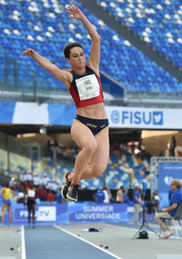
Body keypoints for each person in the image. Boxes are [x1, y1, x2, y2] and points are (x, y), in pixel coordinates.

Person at [23, 4, 109, 202]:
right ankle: (75, 186)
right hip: (82, 123)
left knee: (98, 169)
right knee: (89, 147)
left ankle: (71, 178)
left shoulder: (93, 68)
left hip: (102, 125)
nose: (80, 58)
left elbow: (96, 38)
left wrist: (82, 18)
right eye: (75, 56)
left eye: (81, 54)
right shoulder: (68, 77)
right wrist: (35, 55)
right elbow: (51, 67)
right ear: (69, 60)